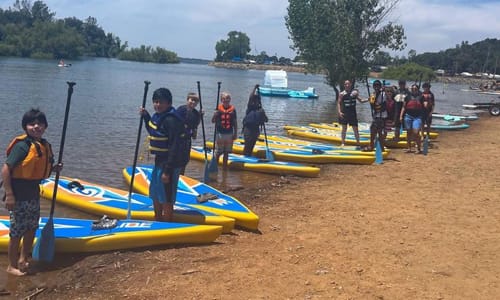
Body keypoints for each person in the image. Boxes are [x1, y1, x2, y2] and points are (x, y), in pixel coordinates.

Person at [2, 108, 62, 276]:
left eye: (40, 124)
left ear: (45, 126)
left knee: (31, 228)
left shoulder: (44, 145)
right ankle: (11, 266)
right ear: (25, 127)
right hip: (18, 195)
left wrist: (54, 168)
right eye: (32, 124)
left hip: (33, 194)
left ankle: (23, 259)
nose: (36, 127)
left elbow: (40, 169)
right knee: (16, 232)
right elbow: (6, 169)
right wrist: (10, 194)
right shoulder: (22, 146)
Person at [141, 88, 191, 222]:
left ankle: (168, 221)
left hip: (169, 164)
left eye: (161, 102)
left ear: (168, 103)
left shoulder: (171, 120)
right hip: (159, 162)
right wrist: (146, 116)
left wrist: (167, 171)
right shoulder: (159, 116)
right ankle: (158, 219)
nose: (157, 105)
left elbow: (175, 146)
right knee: (156, 194)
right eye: (155, 102)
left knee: (166, 197)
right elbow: (154, 131)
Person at [176, 92, 201, 175]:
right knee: (176, 159)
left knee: (185, 160)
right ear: (187, 100)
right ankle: (174, 175)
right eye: (192, 100)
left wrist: (200, 117)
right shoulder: (181, 109)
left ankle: (181, 176)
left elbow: (195, 126)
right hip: (178, 139)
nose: (193, 102)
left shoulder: (196, 113)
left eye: (196, 101)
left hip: (187, 140)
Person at [337, 80, 367, 148]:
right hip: (345, 114)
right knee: (344, 129)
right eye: (346, 84)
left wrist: (368, 99)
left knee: (355, 129)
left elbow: (361, 101)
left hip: (353, 114)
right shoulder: (342, 94)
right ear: (344, 85)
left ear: (350, 85)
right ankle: (343, 143)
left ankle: (358, 143)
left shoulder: (354, 93)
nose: (347, 85)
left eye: (348, 84)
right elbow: (338, 103)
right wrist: (339, 112)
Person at [211, 91, 237, 168]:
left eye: (228, 98)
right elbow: (212, 121)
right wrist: (214, 115)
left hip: (229, 133)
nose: (226, 100)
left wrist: (235, 133)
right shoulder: (218, 109)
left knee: (226, 153)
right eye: (224, 98)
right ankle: (214, 167)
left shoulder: (232, 110)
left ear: (230, 99)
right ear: (221, 100)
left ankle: (224, 169)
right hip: (220, 134)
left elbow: (235, 122)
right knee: (218, 152)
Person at [242, 84, 268, 156]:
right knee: (247, 144)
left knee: (252, 145)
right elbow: (251, 97)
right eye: (254, 101)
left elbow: (266, 120)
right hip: (248, 129)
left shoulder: (261, 110)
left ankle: (249, 155)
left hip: (256, 130)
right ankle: (245, 156)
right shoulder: (250, 107)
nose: (255, 102)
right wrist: (255, 88)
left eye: (257, 101)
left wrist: (263, 115)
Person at [400, 84, 425, 153]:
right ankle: (409, 148)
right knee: (408, 132)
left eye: (415, 89)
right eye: (412, 89)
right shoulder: (407, 97)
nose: (414, 90)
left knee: (416, 132)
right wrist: (401, 116)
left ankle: (418, 148)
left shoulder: (421, 97)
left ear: (418, 90)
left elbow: (424, 105)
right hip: (408, 116)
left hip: (417, 117)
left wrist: (426, 104)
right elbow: (404, 107)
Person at [365, 80, 388, 151]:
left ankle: (374, 147)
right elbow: (372, 105)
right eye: (375, 86)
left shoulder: (383, 94)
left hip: (382, 116)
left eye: (378, 86)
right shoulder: (373, 95)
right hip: (376, 115)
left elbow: (384, 105)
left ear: (380, 86)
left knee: (377, 131)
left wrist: (384, 89)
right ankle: (379, 147)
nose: (376, 87)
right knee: (375, 131)